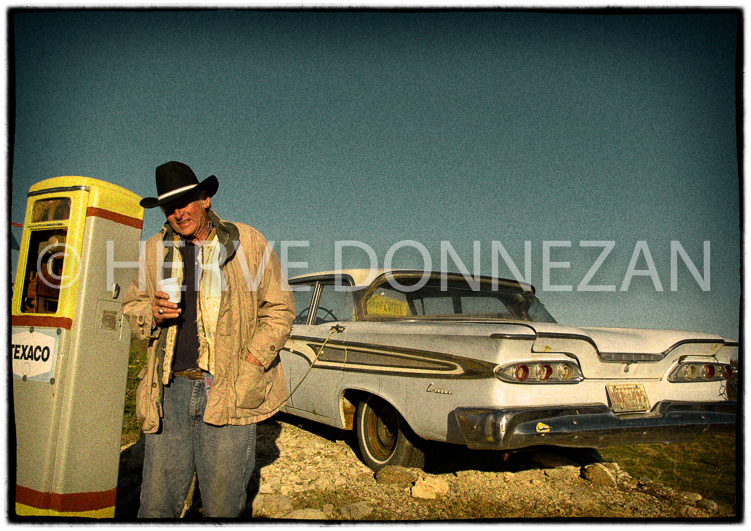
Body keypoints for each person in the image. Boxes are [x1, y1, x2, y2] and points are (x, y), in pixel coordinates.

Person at [123, 161, 294, 518]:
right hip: (169, 390)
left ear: (206, 199)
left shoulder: (247, 242)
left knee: (222, 505)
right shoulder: (155, 249)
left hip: (228, 388)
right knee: (157, 504)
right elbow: (133, 305)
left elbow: (279, 309)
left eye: (185, 201)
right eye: (170, 207)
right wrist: (150, 313)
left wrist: (251, 362)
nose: (178, 213)